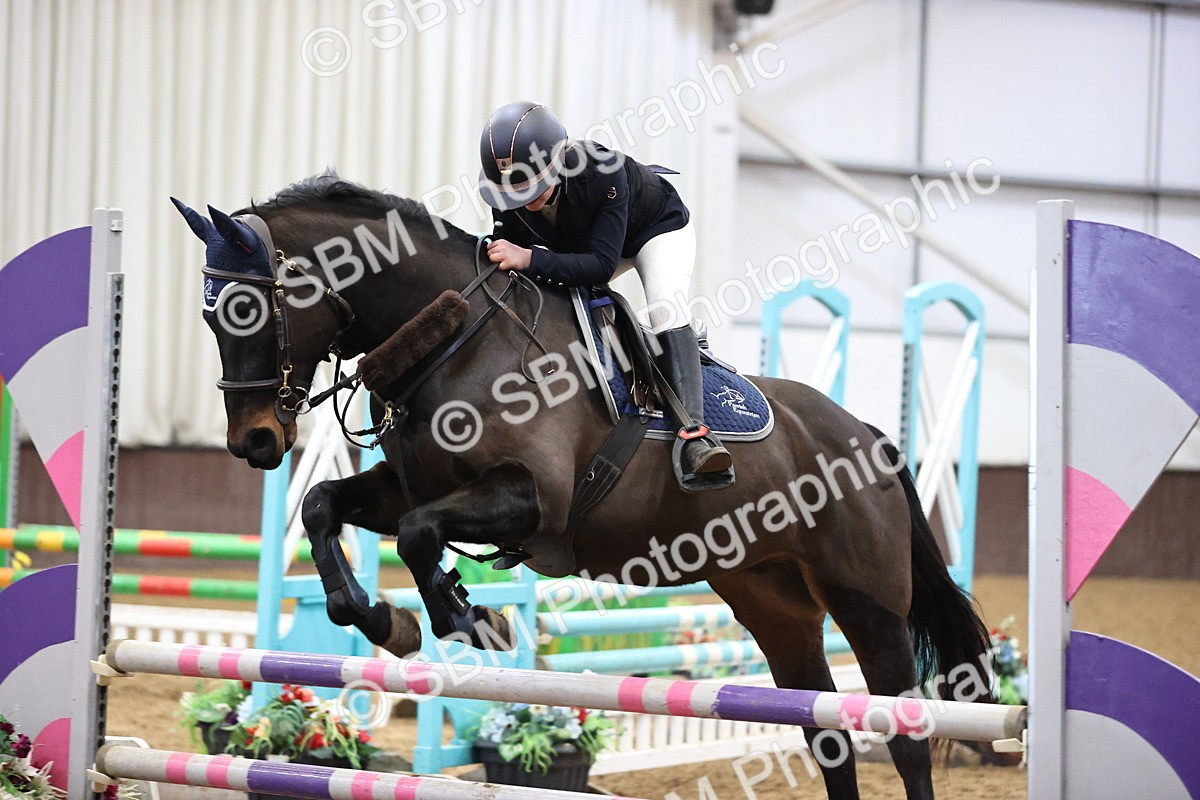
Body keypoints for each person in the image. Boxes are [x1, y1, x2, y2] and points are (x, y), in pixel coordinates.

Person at [478, 100, 734, 491]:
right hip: (583, 245)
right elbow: (512, 260)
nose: (524, 203)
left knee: (664, 307)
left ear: (559, 160)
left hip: (652, 232)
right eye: (514, 194)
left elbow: (599, 266)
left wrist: (529, 257)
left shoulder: (603, 171)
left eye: (532, 189)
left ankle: (694, 434)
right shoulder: (508, 194)